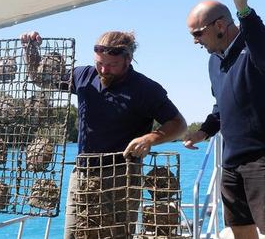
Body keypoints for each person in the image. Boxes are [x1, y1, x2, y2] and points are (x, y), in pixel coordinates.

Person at [21, 30, 186, 238]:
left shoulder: (145, 89)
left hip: (121, 178)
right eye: (100, 63)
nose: (104, 69)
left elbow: (179, 125)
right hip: (82, 174)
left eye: (112, 65)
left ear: (128, 59)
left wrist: (151, 138)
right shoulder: (83, 76)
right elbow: (40, 78)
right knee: (74, 235)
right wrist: (30, 49)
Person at [183, 0, 265, 238]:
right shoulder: (213, 62)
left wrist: (244, 11)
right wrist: (203, 132)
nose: (195, 41)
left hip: (261, 161)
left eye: (197, 33)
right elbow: (221, 106)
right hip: (231, 164)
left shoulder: (253, 47)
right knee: (240, 230)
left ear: (220, 25)